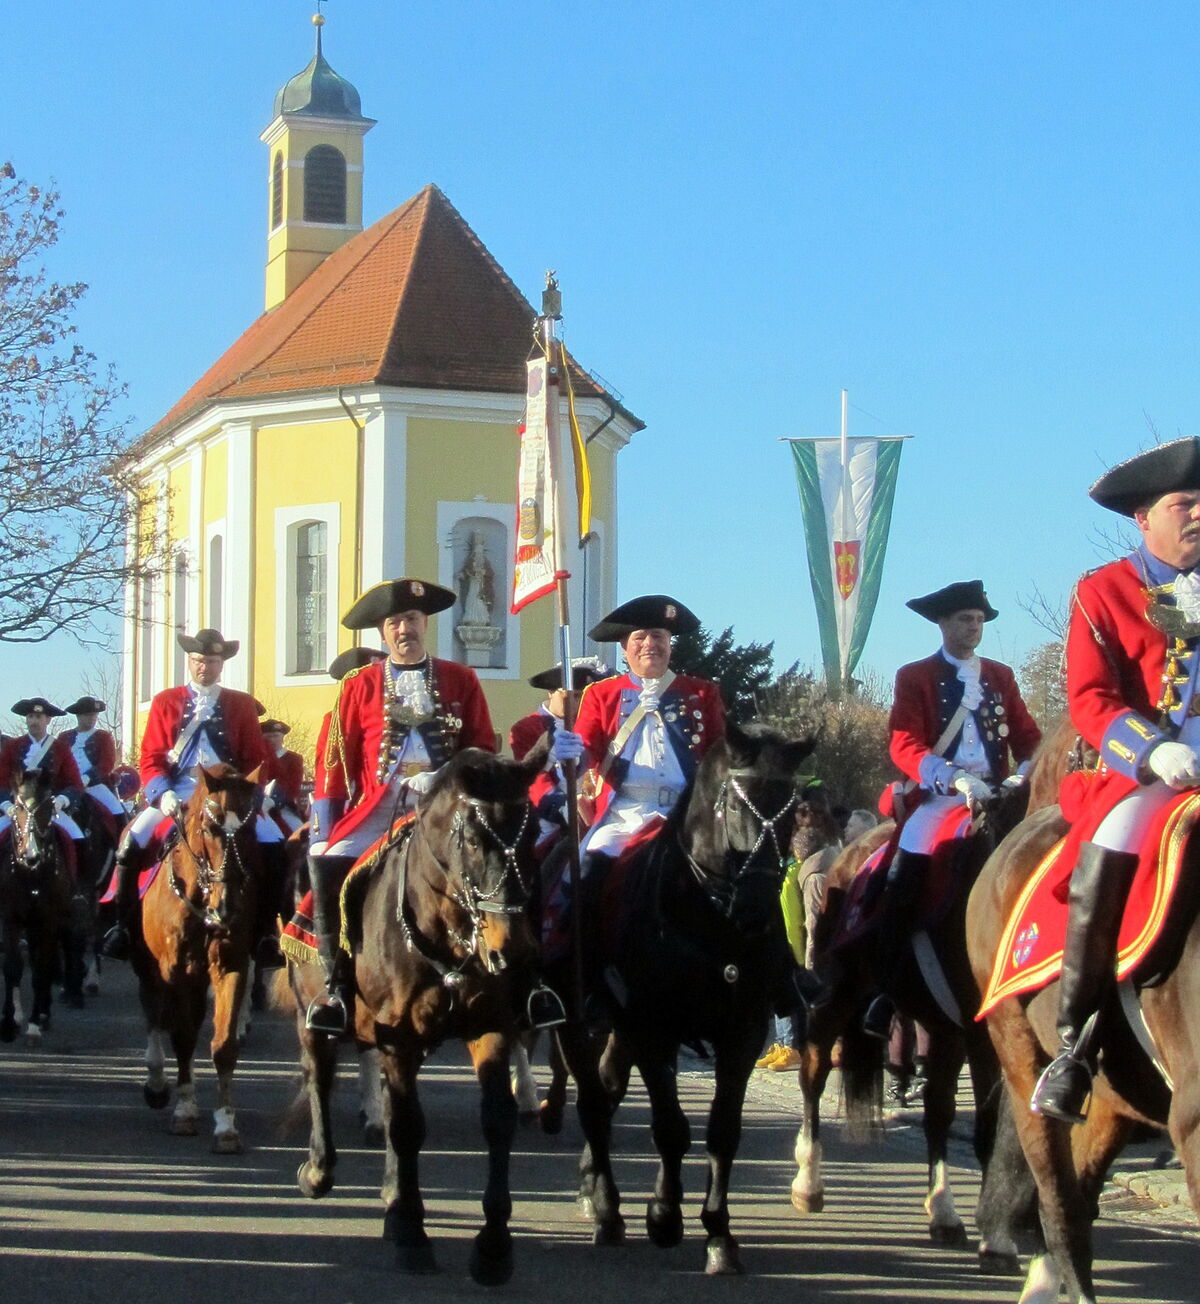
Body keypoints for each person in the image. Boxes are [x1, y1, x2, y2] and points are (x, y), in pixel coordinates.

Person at [1031, 436, 1200, 1122]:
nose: (1198, 514)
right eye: (1183, 503)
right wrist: (1153, 752)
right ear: (1144, 519)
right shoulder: (1107, 589)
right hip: (1148, 769)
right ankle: (1076, 1042)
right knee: (1119, 837)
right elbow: (1091, 700)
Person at [306, 578, 496, 1033]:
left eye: (411, 619)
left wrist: (449, 779)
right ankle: (335, 986)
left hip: (444, 808)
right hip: (379, 806)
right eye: (394, 623)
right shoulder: (360, 685)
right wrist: (325, 823)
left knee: (503, 862)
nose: (403, 629)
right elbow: (337, 758)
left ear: (425, 623)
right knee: (326, 861)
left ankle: (517, 980)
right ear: (383, 633)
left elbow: (482, 744)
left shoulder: (460, 678)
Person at [863, 580, 1042, 1040]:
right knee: (906, 862)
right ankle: (886, 985)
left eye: (980, 620)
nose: (974, 627)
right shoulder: (915, 676)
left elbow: (1028, 736)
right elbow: (904, 743)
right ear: (943, 624)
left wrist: (1025, 771)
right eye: (965, 619)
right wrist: (951, 777)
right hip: (942, 794)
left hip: (999, 794)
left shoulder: (1000, 676)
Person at [550, 595, 727, 1005]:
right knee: (586, 872)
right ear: (626, 646)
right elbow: (587, 752)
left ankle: (766, 974)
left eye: (660, 636)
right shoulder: (601, 694)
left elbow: (722, 755)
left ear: (671, 643)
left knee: (747, 875)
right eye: (642, 636)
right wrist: (568, 752)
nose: (652, 644)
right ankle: (577, 967)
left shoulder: (701, 693)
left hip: (688, 816)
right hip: (625, 812)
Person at [99, 629, 282, 964]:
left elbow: (257, 758)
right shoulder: (165, 702)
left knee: (275, 842)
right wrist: (161, 793)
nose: (204, 668)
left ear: (221, 664)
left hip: (227, 794)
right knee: (132, 839)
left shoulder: (239, 703)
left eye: (212, 661)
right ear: (190, 661)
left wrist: (248, 793)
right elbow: (151, 756)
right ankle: (121, 926)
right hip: (178, 790)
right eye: (199, 661)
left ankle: (267, 931)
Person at [509, 657, 610, 843]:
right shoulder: (527, 728)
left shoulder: (594, 724)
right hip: (551, 814)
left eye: (582, 697)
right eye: (572, 695)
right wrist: (558, 804)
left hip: (597, 808)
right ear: (550, 692)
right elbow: (533, 776)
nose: (578, 703)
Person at [0, 698, 86, 845]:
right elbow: (1, 780)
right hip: (17, 809)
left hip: (50, 810)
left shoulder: (60, 748)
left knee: (77, 837)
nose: (34, 721)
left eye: (39, 717)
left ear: (48, 720)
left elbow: (75, 783)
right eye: (30, 717)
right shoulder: (12, 746)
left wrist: (61, 800)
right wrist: (7, 806)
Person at [60, 696, 127, 825]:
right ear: (79, 716)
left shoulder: (104, 737)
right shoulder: (64, 737)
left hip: (95, 785)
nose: (92, 718)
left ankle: (121, 840)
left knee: (117, 811)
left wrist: (88, 777)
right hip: (69, 786)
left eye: (94, 715)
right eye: (88, 715)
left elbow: (106, 764)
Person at [262, 719, 306, 834]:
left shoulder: (294, 759)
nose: (272, 740)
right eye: (268, 736)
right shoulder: (257, 758)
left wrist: (274, 801)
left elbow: (293, 787)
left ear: (282, 737)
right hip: (258, 805)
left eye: (276, 736)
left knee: (300, 832)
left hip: (283, 807)